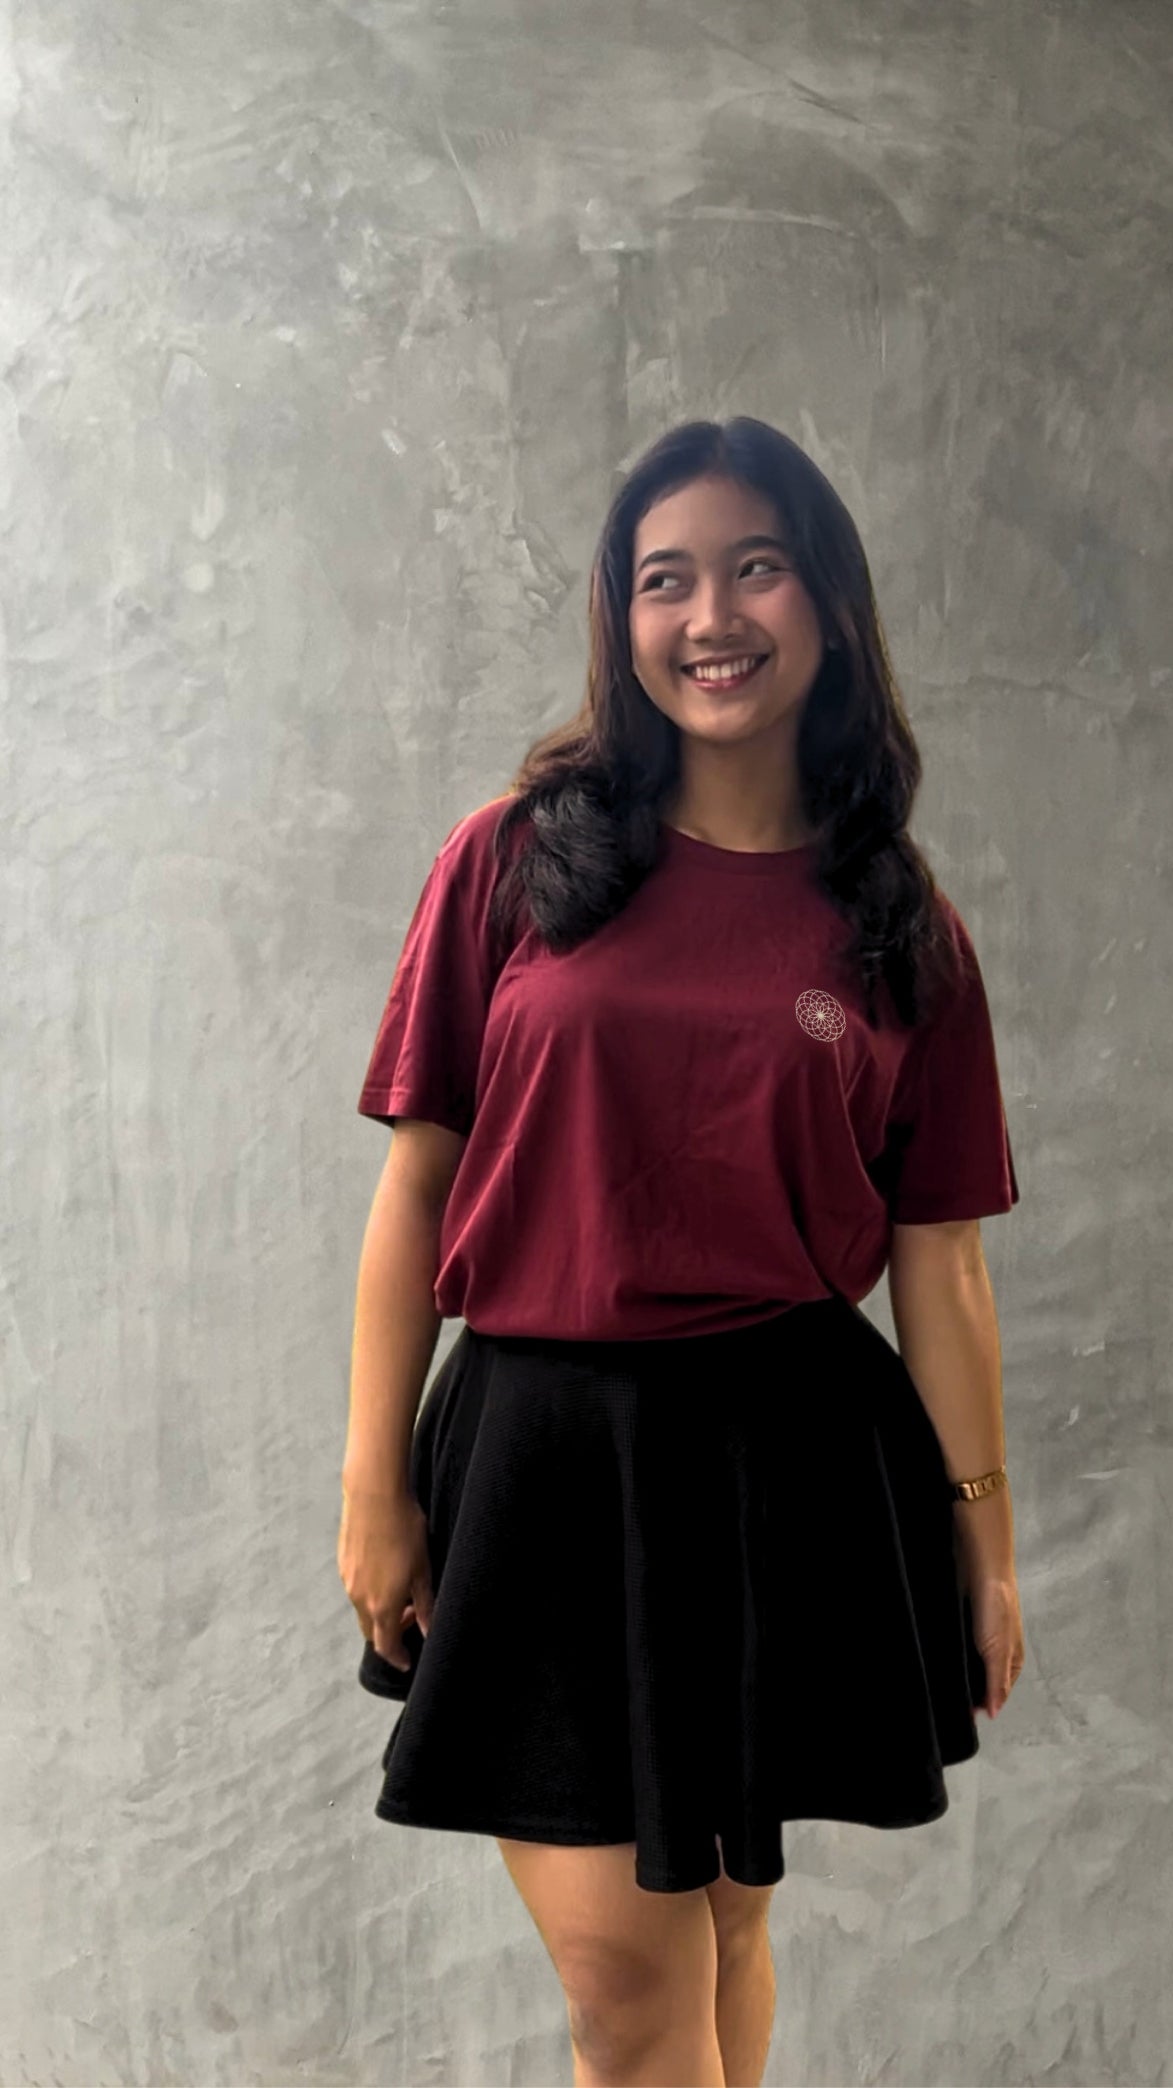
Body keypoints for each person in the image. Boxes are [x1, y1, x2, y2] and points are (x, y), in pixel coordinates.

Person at [337, 416, 1026, 2088]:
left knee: (721, 1920)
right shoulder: (513, 861)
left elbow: (939, 1266)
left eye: (754, 567)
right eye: (665, 580)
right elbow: (417, 1191)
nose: (710, 616)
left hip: (783, 1465)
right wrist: (373, 1482)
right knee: (623, 1974)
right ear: (620, 616)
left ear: (828, 604)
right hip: (539, 1458)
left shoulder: (898, 925)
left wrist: (985, 1542)